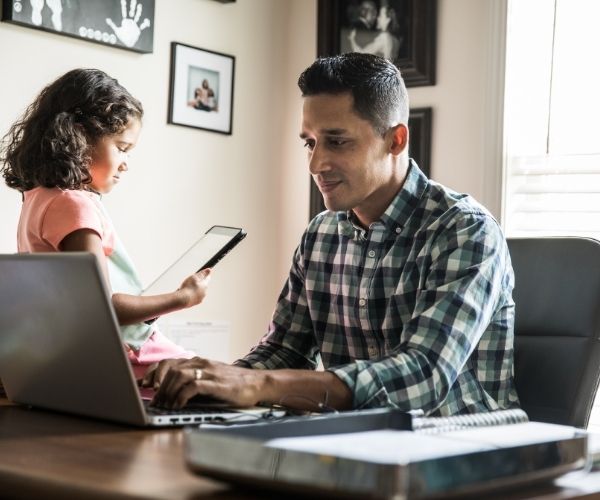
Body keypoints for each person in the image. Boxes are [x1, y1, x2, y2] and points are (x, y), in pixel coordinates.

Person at [144, 53, 519, 417]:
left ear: (395, 141)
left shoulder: (465, 229)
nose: (315, 163)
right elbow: (286, 350)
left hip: (461, 453)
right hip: (353, 448)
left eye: (337, 141)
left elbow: (423, 377)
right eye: (309, 142)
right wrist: (211, 383)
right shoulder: (321, 233)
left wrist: (260, 386)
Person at [0, 68, 212, 379]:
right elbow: (99, 307)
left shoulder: (36, 199)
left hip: (71, 356)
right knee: (218, 381)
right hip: (130, 350)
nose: (125, 164)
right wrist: (184, 297)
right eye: (122, 148)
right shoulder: (74, 206)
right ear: (80, 137)